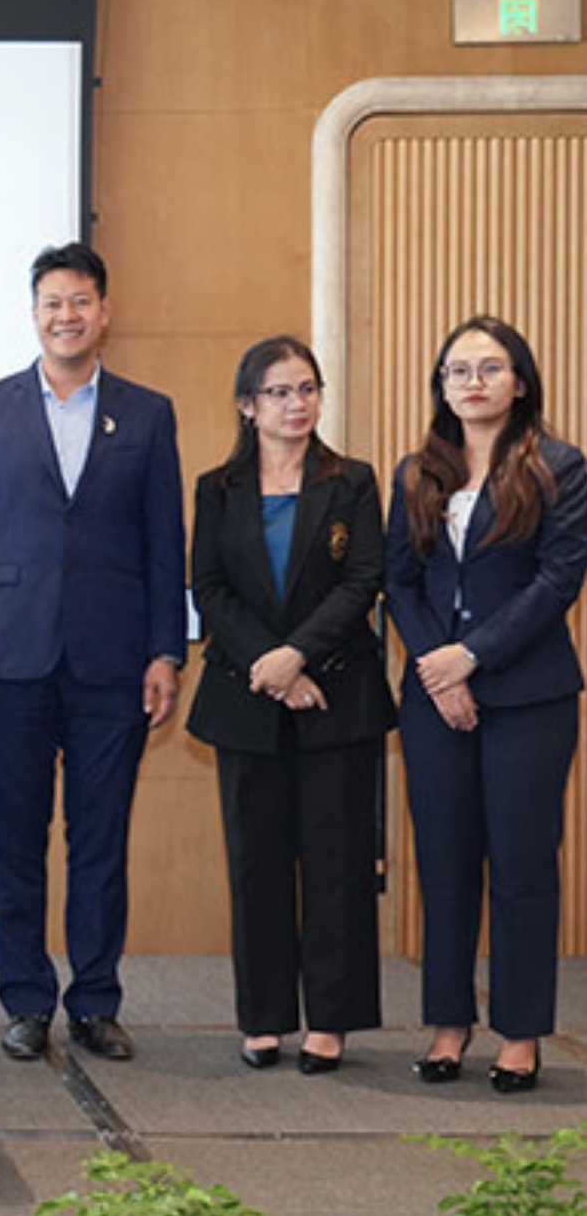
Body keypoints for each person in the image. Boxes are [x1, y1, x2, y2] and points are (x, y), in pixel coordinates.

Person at [0, 242, 186, 1063]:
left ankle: (95, 1000)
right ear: (34, 313)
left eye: (81, 300)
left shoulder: (148, 414)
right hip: (8, 659)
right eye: (52, 302)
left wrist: (166, 650)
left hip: (114, 661)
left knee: (100, 838)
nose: (67, 315)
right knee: (16, 839)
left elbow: (164, 542)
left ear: (104, 311)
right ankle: (25, 999)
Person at [387, 315, 586, 1095]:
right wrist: (441, 672)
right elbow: (400, 581)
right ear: (441, 386)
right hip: (434, 701)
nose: (473, 382)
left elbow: (558, 579)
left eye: (490, 368)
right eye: (458, 370)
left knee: (522, 862)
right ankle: (448, 1023)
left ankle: (520, 1032)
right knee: (444, 862)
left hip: (529, 696)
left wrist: (471, 656)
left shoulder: (559, 467)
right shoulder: (416, 473)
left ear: (520, 381)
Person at [185, 336, 390, 1074]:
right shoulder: (218, 487)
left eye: (308, 388)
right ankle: (264, 1017)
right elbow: (209, 587)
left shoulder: (352, 481)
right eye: (279, 391)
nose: (297, 403)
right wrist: (272, 668)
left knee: (337, 863)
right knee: (257, 862)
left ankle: (331, 1019)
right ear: (248, 405)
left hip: (337, 692)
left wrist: (296, 654)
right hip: (248, 698)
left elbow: (363, 579)